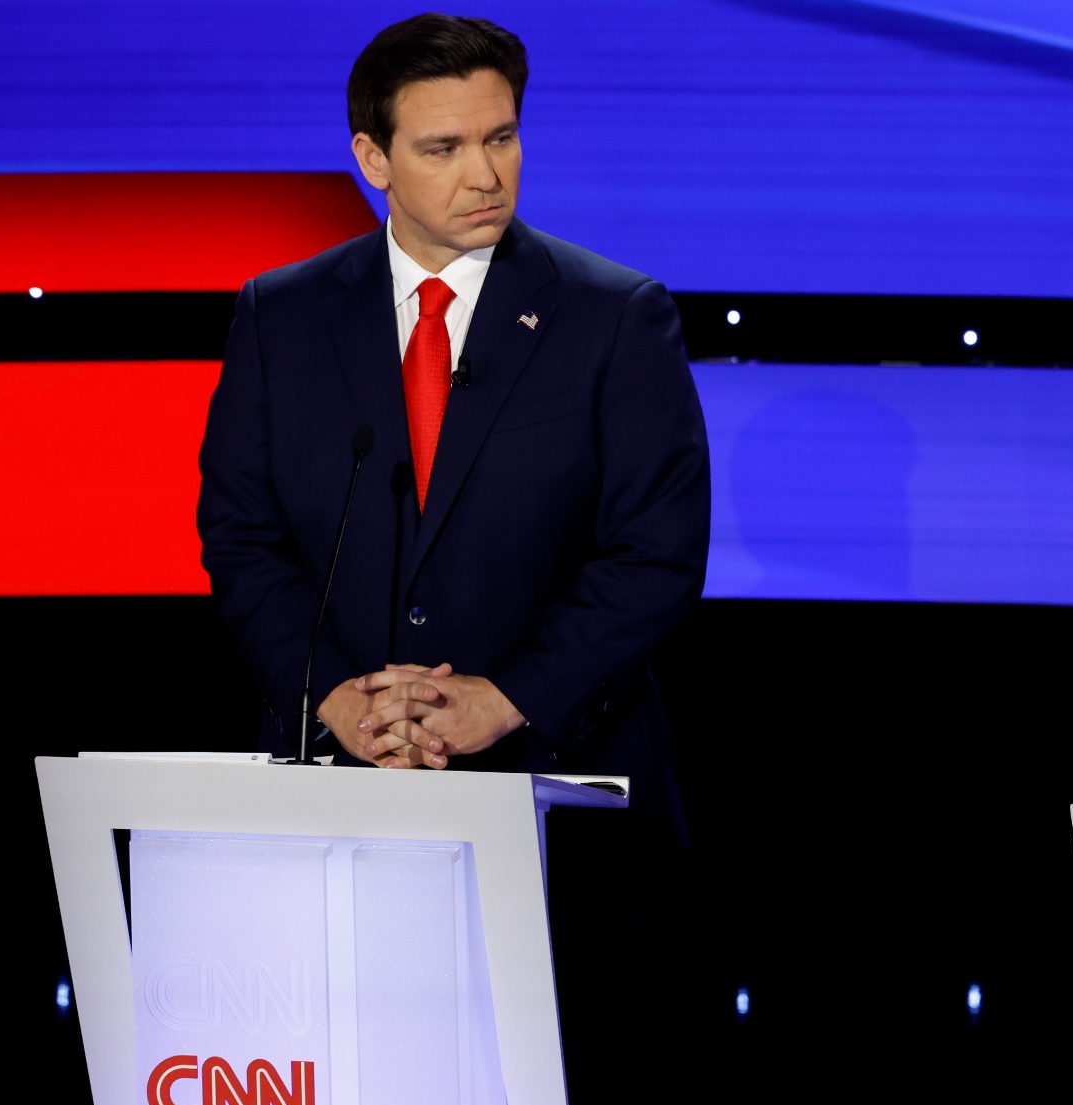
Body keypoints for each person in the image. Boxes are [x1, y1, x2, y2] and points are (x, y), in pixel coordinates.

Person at [196, 14, 710, 819]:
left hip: (555, 777)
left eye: (501, 139)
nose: (486, 176)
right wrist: (335, 697)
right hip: (339, 781)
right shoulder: (281, 316)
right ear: (374, 159)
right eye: (444, 149)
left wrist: (506, 698)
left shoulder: (615, 316)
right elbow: (241, 537)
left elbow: (656, 554)